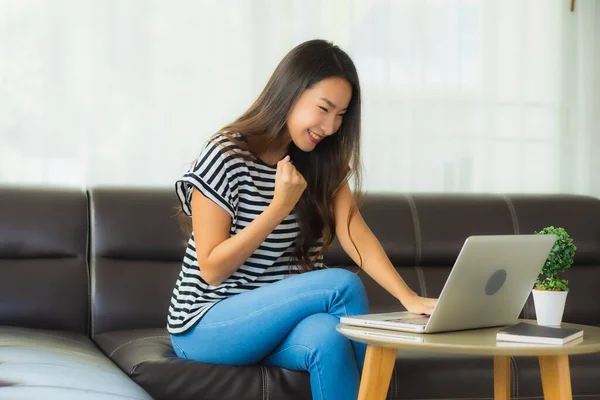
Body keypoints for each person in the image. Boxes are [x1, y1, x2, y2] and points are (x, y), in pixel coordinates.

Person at [168, 39, 437, 400]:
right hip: (207, 325)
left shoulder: (320, 162)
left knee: (330, 337)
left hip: (276, 326)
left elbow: (355, 234)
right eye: (324, 108)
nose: (330, 126)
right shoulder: (226, 155)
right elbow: (212, 269)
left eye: (341, 115)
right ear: (291, 92)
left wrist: (409, 298)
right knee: (341, 286)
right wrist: (278, 208)